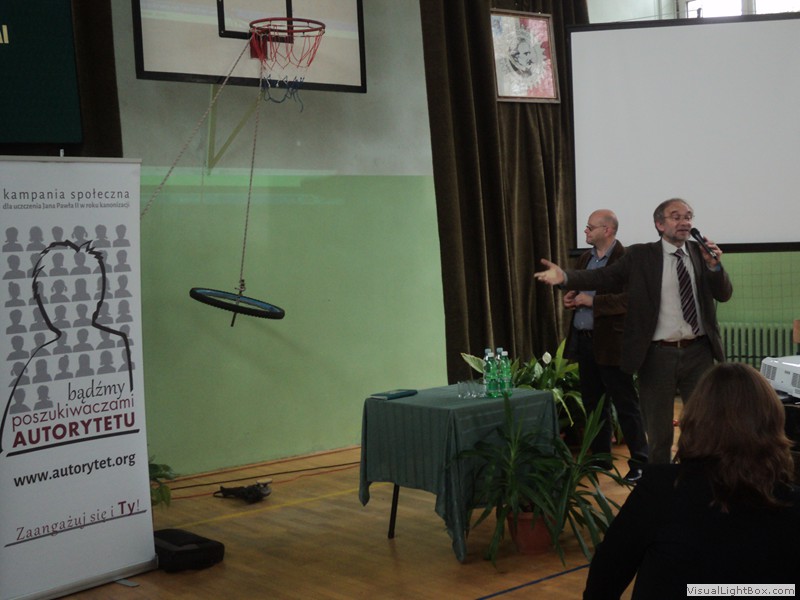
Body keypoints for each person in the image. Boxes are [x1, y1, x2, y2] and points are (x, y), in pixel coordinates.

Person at [534, 198, 733, 464]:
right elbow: (604, 277)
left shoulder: (700, 253)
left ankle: (701, 479)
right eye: (676, 217)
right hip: (658, 355)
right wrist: (566, 277)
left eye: (688, 216)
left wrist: (714, 266)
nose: (684, 222)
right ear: (659, 224)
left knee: (705, 425)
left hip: (699, 352)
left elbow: (724, 294)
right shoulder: (641, 256)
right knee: (659, 434)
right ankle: (659, 482)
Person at [583, 363, 799, 598]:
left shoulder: (659, 490)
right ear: (775, 424)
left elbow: (603, 581)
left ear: (695, 420)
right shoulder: (790, 502)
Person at [564, 209, 648, 482]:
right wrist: (572, 297)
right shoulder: (586, 258)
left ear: (607, 230)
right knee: (594, 405)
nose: (586, 231)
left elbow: (631, 300)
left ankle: (641, 462)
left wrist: (593, 302)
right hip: (585, 342)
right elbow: (581, 289)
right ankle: (601, 460)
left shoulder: (625, 259)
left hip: (613, 345)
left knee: (626, 405)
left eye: (590, 227)